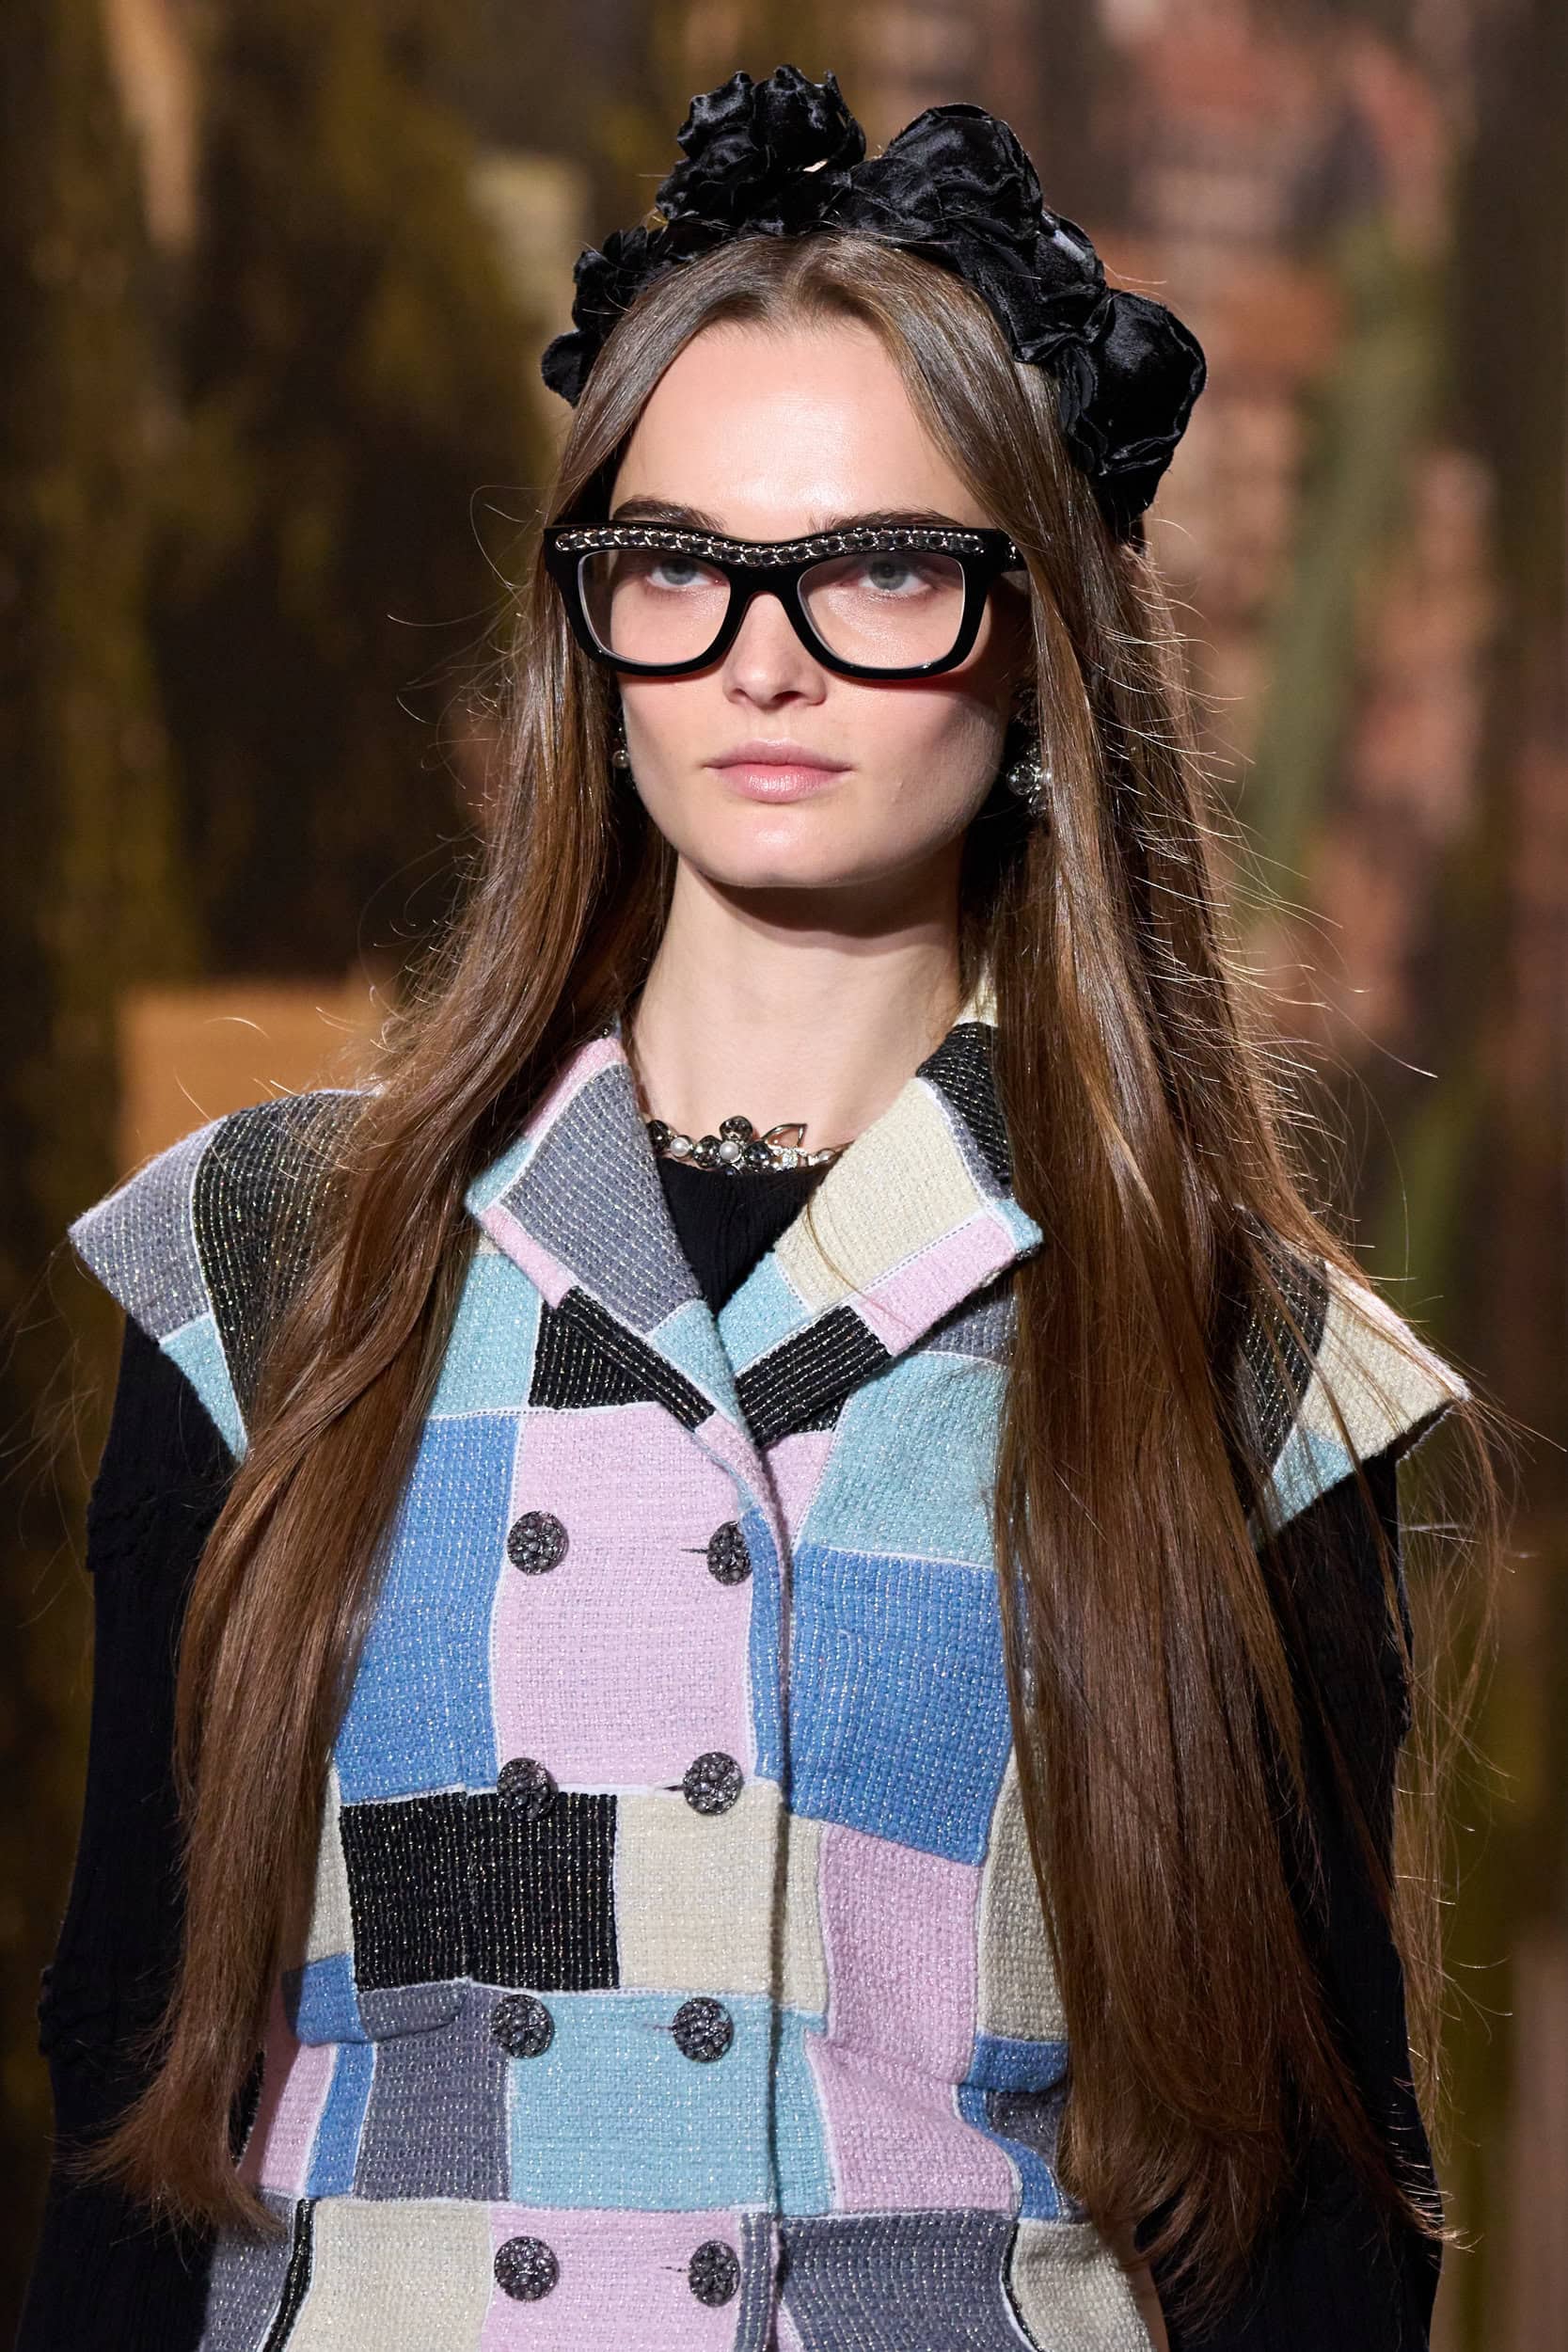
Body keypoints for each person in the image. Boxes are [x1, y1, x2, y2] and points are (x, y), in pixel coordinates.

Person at [19, 62, 1497, 2352]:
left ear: (1037, 640)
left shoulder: (1235, 1357)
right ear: (589, 628)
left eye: (882, 565)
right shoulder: (275, 1265)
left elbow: (1313, 2217)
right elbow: (128, 2129)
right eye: (679, 565)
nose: (763, 652)